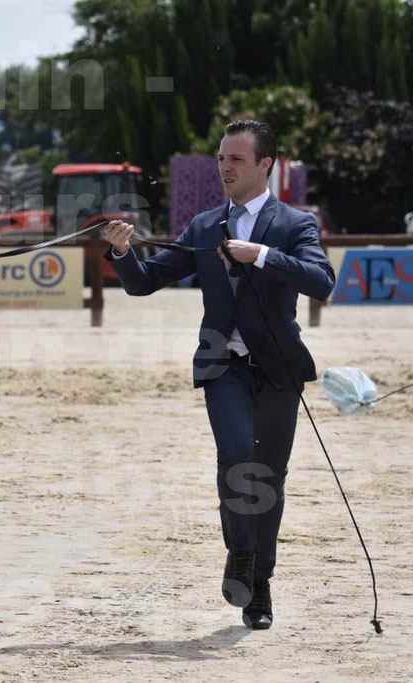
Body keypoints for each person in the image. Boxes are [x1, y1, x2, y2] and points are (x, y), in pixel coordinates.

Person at [101, 119, 336, 631]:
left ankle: (262, 584)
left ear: (265, 165)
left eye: (237, 159)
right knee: (236, 460)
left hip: (278, 369)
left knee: (269, 478)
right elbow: (145, 283)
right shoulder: (204, 227)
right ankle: (241, 554)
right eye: (222, 159)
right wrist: (122, 252)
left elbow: (322, 281)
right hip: (223, 365)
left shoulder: (296, 224)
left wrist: (265, 256)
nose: (225, 167)